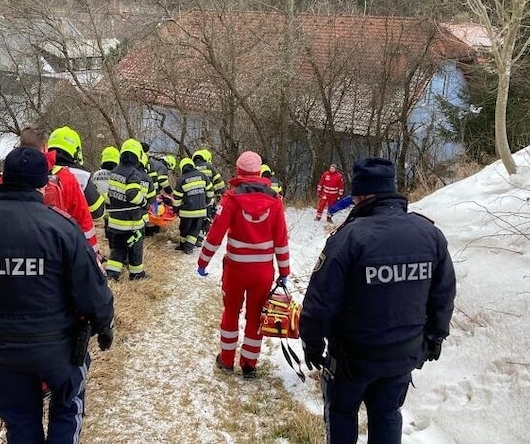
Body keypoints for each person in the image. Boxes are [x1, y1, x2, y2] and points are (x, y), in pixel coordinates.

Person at [0, 147, 115, 444]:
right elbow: (90, 286)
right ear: (44, 183)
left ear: (3, 179)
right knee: (68, 407)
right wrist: (104, 322)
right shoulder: (61, 227)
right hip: (59, 348)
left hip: (1, 348)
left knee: (20, 422)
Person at [300, 157, 456, 444]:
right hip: (404, 354)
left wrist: (311, 340)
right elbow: (443, 292)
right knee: (386, 414)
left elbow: (321, 300)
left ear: (359, 195)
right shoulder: (430, 234)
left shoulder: (348, 238)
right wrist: (436, 335)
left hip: (352, 357)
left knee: (342, 413)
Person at [196, 151, 291, 379]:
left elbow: (215, 234)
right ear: (259, 172)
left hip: (236, 270)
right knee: (255, 316)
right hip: (263, 272)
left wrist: (203, 261)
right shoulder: (275, 201)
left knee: (230, 312)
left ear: (239, 171)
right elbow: (281, 239)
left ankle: (227, 361)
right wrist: (285, 271)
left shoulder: (230, 199)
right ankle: (249, 365)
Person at [0, 127, 100, 255]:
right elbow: (85, 224)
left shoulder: (2, 179)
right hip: (53, 256)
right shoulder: (66, 179)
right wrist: (94, 259)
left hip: (7, 255)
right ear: (45, 147)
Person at [105, 139, 149, 281]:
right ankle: (136, 274)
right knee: (135, 248)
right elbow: (132, 195)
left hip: (115, 222)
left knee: (118, 248)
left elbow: (109, 195)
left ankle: (112, 274)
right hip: (131, 223)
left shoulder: (115, 171)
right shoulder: (134, 173)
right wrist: (143, 201)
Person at [48, 126, 106, 220]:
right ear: (76, 151)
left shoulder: (36, 172)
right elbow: (98, 211)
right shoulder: (81, 176)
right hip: (72, 232)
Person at [172, 157, 213, 254]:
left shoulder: (181, 179)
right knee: (195, 229)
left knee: (184, 229)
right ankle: (188, 247)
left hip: (187, 211)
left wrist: (176, 209)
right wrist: (206, 202)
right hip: (201, 210)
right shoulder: (203, 176)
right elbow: (210, 191)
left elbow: (177, 197)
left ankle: (184, 245)